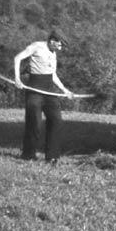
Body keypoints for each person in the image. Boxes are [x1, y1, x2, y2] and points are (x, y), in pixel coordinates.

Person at [14, 30, 74, 164]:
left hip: (49, 90)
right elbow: (17, 58)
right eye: (59, 45)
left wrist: (65, 90)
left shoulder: (53, 53)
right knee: (34, 122)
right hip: (35, 88)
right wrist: (17, 79)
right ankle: (28, 154)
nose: (60, 48)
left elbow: (52, 74)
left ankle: (52, 157)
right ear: (52, 41)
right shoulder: (36, 46)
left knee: (56, 120)